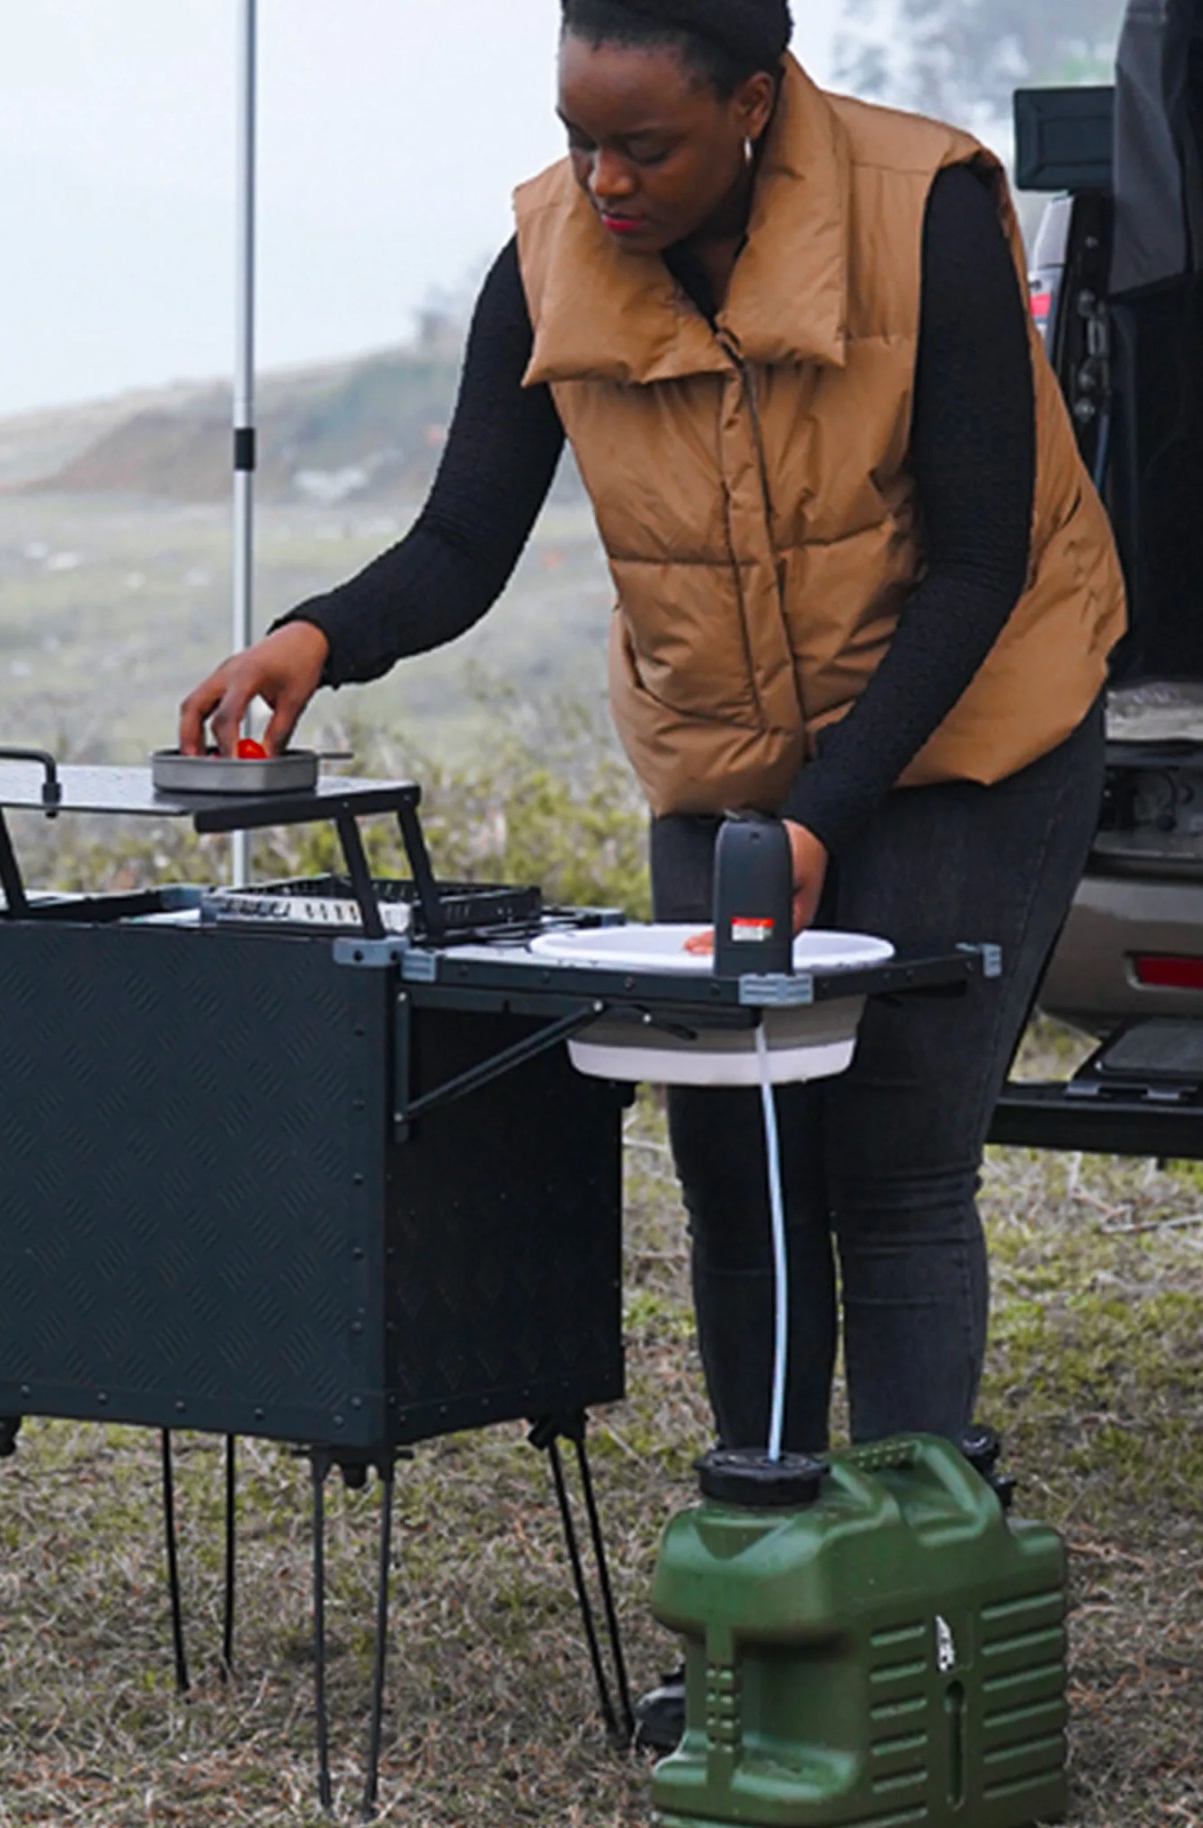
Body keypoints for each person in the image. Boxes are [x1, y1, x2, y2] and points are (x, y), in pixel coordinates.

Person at [179, 1, 1126, 1480]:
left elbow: (979, 569)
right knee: (738, 1162)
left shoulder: (925, 211)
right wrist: (317, 637)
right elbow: (463, 536)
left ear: (754, 104)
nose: (602, 180)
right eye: (578, 140)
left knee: (891, 1160)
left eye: (642, 146)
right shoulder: (549, 255)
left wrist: (822, 817)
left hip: (973, 733)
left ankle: (904, 1587)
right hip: (727, 759)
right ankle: (770, 1558)